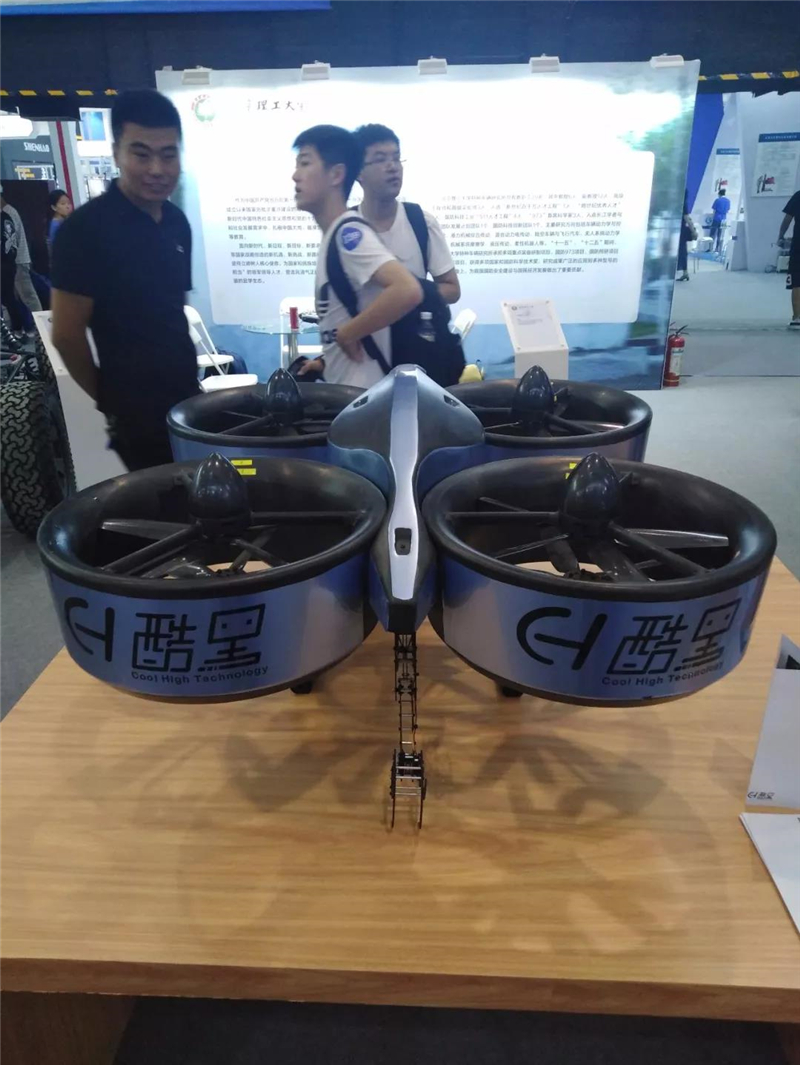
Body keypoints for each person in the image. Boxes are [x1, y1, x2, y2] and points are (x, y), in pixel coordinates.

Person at [51, 90, 199, 470]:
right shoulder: (84, 230)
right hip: (136, 417)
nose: (157, 169)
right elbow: (66, 335)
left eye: (168, 155)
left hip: (189, 401)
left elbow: (174, 311)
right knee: (164, 503)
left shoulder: (177, 223)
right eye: (141, 154)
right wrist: (110, 401)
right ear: (116, 152)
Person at [291, 124, 422, 388]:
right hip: (352, 395)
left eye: (305, 163)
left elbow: (407, 289)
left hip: (364, 399)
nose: (295, 176)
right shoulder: (335, 234)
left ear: (336, 174)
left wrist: (348, 334)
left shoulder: (349, 234)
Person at [352, 123, 460, 305]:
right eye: (380, 159)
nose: (392, 167)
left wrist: (410, 292)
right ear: (358, 171)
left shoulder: (421, 222)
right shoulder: (345, 228)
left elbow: (452, 290)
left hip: (414, 323)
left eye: (396, 158)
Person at [0, 187, 42, 326]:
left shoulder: (8, 213)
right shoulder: (7, 212)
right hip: (12, 262)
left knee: (27, 296)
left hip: (17, 261)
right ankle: (19, 327)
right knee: (11, 297)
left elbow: (11, 240)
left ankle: (40, 327)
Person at [778, 189, 800, 329]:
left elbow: (787, 218)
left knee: (797, 281)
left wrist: (780, 236)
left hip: (799, 245)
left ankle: (797, 318)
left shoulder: (798, 196)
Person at [676, 192, 695, 282]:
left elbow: (686, 217)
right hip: (681, 230)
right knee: (683, 251)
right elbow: (687, 218)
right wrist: (693, 230)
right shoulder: (683, 203)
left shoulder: (677, 202)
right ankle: (685, 272)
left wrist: (693, 230)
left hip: (676, 229)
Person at [48, 189, 73, 253]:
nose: (67, 206)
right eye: (63, 204)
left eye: (69, 203)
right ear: (54, 207)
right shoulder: (56, 225)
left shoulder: (65, 222)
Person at [709, 189, 731, 255]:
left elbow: (714, 210)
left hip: (716, 218)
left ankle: (710, 248)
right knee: (720, 235)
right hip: (724, 219)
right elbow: (727, 210)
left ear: (719, 194)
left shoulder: (717, 200)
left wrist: (713, 218)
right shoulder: (728, 201)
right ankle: (718, 249)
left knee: (712, 234)